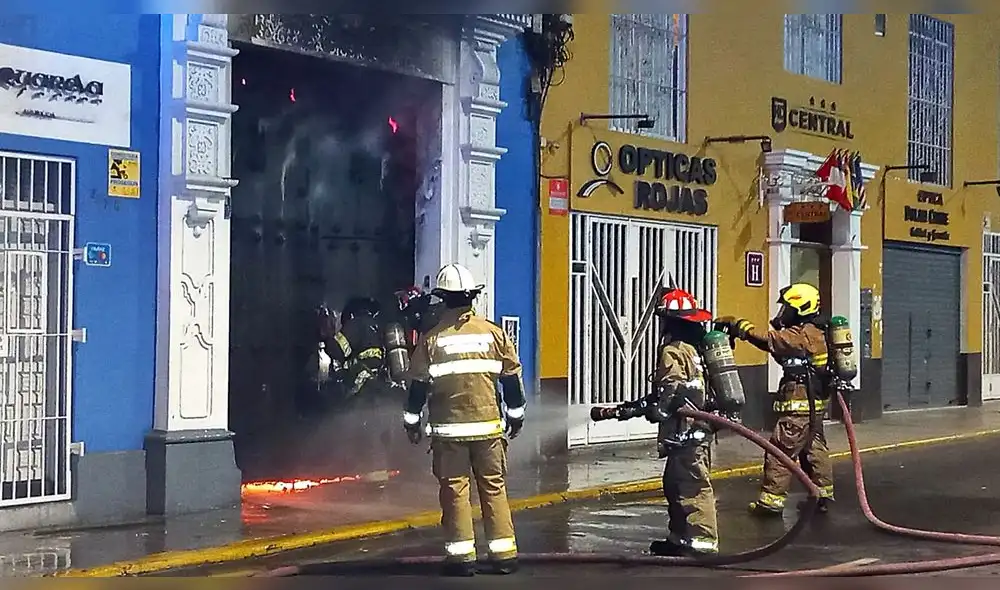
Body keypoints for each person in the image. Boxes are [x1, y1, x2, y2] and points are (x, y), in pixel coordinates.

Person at [401, 263, 526, 577]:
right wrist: (516, 416)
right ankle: (504, 555)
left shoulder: (431, 340)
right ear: (472, 297)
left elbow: (417, 388)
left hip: (450, 434)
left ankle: (461, 558)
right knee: (494, 487)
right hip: (489, 431)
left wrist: (412, 423)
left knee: (455, 490)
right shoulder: (494, 334)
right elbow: (511, 380)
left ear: (443, 298)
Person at [716, 283, 835, 516]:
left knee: (780, 452)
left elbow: (768, 340)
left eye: (788, 308)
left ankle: (771, 502)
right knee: (813, 450)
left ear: (801, 309)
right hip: (813, 408)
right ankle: (821, 495)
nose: (784, 312)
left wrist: (739, 326)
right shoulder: (817, 332)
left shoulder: (802, 335)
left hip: (799, 408)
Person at [647, 287, 721, 557]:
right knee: (675, 485)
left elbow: (673, 387)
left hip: (685, 431)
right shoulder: (697, 348)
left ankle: (703, 542)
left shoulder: (673, 350)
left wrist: (659, 411)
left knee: (692, 487)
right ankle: (679, 538)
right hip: (697, 429)